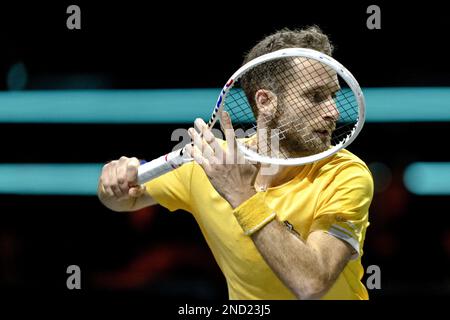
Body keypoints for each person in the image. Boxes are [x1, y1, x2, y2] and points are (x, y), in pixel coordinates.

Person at [97, 26, 374, 300]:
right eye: (315, 97)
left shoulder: (346, 175)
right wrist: (113, 182)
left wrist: (241, 194)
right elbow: (125, 200)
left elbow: (312, 284)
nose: (333, 111)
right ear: (265, 102)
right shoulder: (212, 164)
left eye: (333, 96)